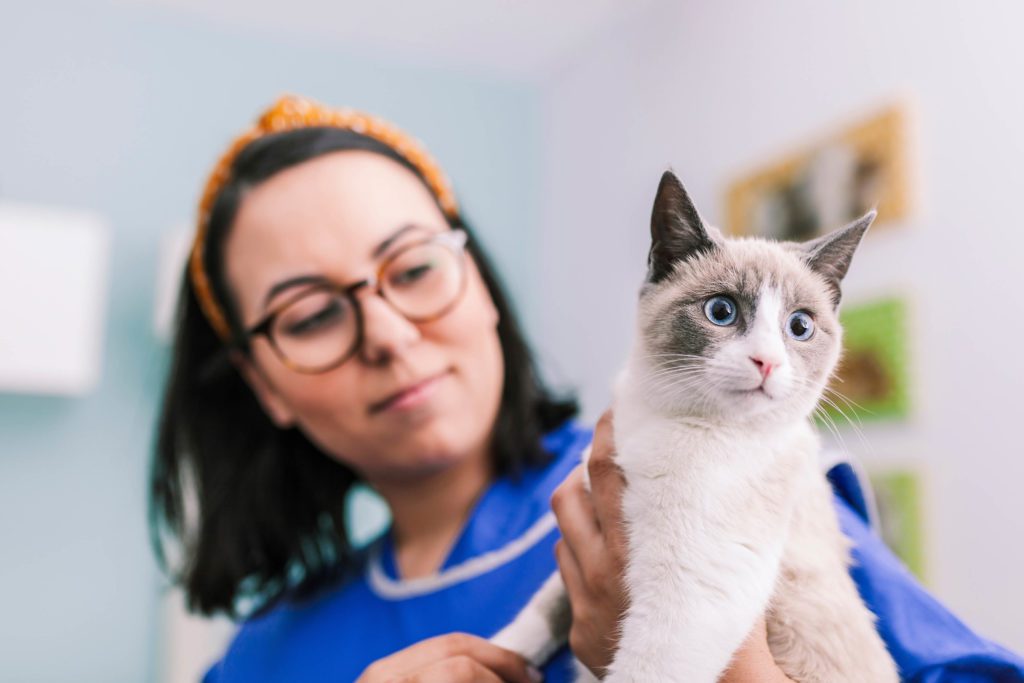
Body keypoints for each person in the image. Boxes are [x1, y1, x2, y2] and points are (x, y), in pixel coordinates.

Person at [150, 95, 1024, 682]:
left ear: (481, 285)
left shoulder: (734, 461)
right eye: (309, 316)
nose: (386, 332)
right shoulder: (259, 654)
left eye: (412, 267)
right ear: (262, 382)